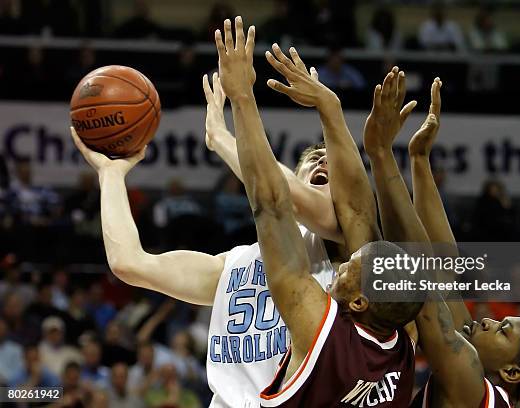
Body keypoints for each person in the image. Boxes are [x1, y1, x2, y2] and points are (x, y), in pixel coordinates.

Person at [71, 26, 343, 408]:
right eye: (311, 160)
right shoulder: (231, 266)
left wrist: (224, 137)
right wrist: (111, 175)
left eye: (332, 166)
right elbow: (129, 263)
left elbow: (279, 196)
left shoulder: (348, 250)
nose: (321, 160)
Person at [215, 18, 422, 406]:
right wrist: (331, 109)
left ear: (360, 302)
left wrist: (241, 99)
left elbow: (272, 205)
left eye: (349, 269)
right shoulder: (401, 344)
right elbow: (358, 213)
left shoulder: (320, 326)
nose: (342, 266)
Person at [358, 69, 520, 406]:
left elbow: (419, 279)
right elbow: (443, 267)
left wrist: (380, 155)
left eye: (502, 331)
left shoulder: (473, 388)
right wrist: (419, 160)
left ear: (512, 372)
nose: (487, 321)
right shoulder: (479, 375)